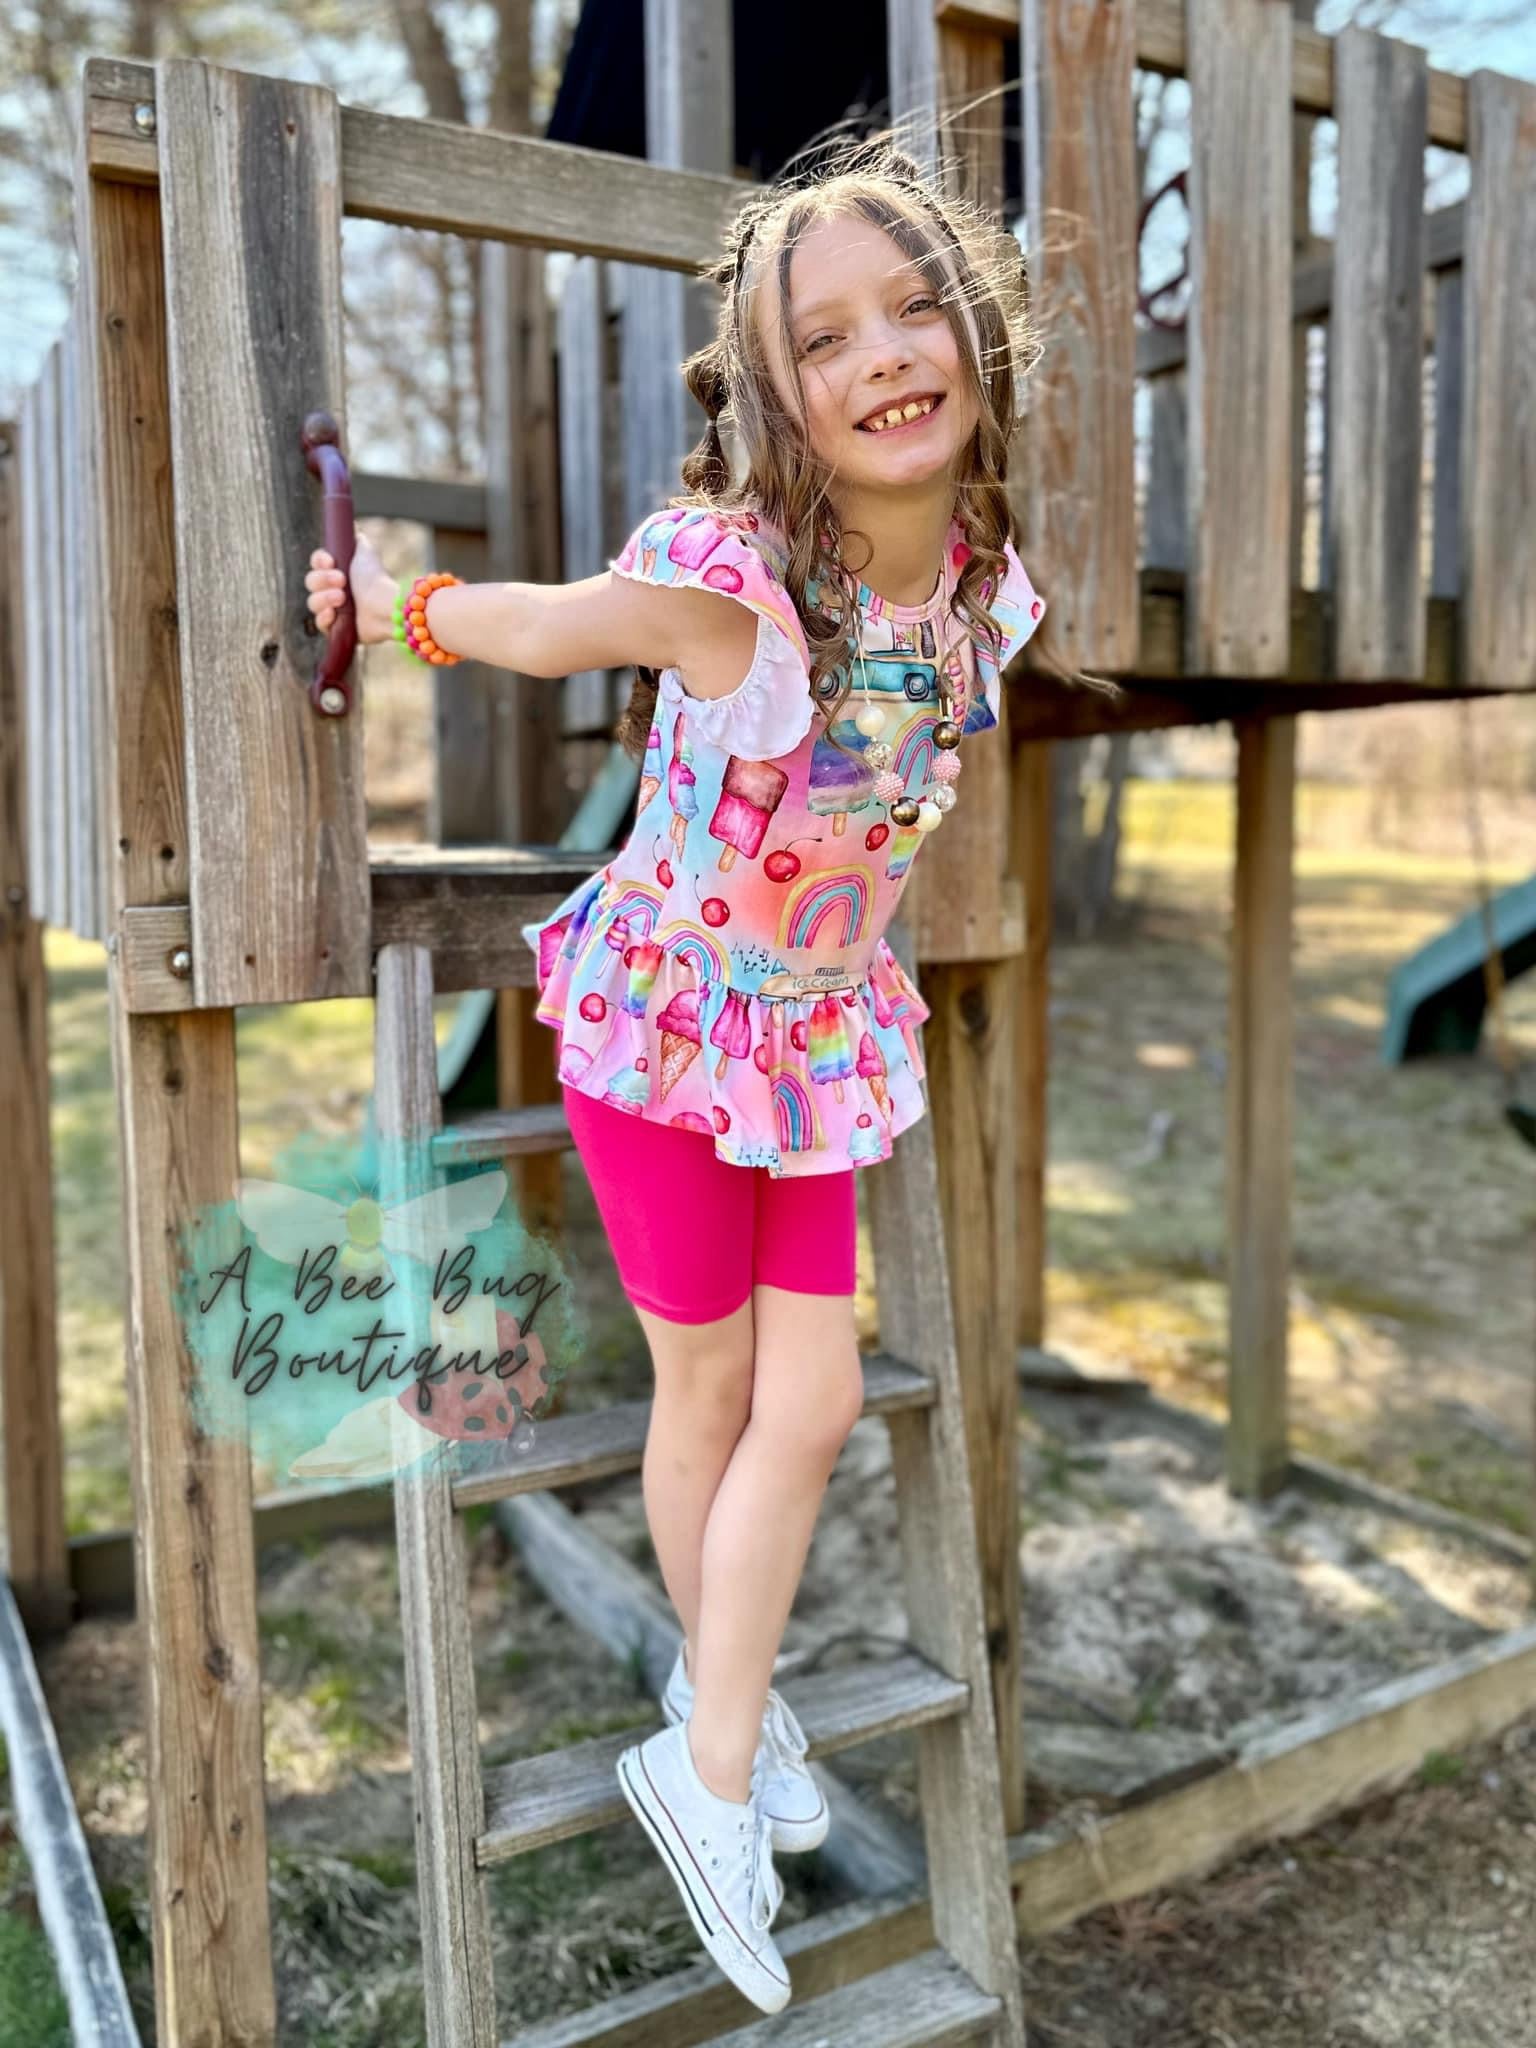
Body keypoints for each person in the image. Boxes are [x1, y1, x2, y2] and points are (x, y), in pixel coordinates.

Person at [308, 133, 1077, 2016]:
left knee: (807, 1403)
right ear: (777, 391)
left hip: (811, 1035)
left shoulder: (981, 593)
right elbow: (543, 624)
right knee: (723, 1389)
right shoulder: (732, 587)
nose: (884, 356)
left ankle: (707, 1717)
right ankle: (715, 1748)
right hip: (666, 1034)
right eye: (826, 338)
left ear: (979, 336)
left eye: (915, 310)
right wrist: (391, 612)